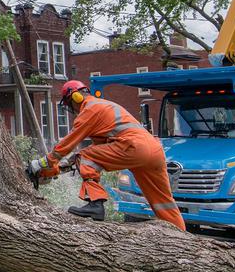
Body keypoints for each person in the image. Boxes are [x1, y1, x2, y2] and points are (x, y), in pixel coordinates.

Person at [27, 80, 186, 230]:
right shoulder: (104, 107)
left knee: (86, 156)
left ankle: (95, 204)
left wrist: (44, 162)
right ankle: (182, 237)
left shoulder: (89, 109)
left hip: (133, 147)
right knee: (163, 202)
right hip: (154, 150)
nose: (72, 110)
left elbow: (69, 143)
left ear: (75, 96)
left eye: (70, 104)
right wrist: (59, 169)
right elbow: (100, 153)